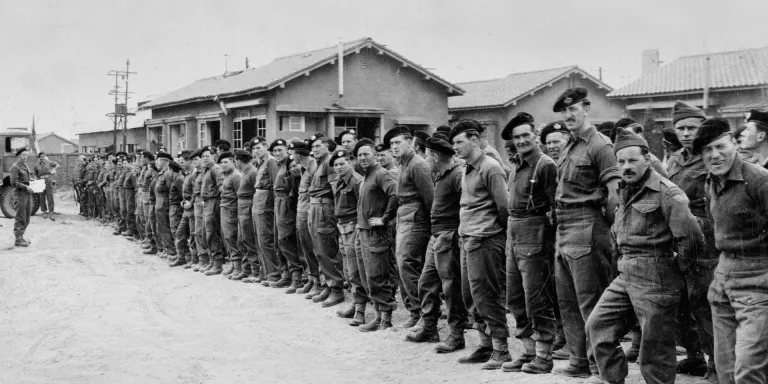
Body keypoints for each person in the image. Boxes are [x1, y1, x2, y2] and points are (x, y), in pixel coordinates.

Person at [586, 129, 705, 384]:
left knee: (656, 348)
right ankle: (612, 379)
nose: (626, 167)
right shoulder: (625, 189)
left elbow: (692, 238)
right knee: (598, 326)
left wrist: (673, 271)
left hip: (657, 275)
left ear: (647, 159)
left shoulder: (667, 192)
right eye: (621, 161)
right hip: (626, 272)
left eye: (632, 160)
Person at [550, 88, 621, 381]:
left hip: (588, 226)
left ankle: (601, 369)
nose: (568, 116)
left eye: (574, 110)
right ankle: (579, 360)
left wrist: (606, 230)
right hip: (564, 229)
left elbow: (615, 195)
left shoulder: (600, 145)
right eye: (564, 112)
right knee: (567, 301)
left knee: (592, 303)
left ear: (586, 108)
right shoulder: (570, 146)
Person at [694, 117, 768, 384]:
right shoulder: (711, 182)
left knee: (749, 371)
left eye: (721, 146)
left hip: (758, 285)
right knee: (725, 370)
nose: (715, 155)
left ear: (734, 143)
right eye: (707, 151)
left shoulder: (758, 180)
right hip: (724, 282)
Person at [498, 113, 558, 374]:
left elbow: (555, 206)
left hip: (535, 232)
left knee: (537, 296)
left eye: (526, 135)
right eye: (517, 137)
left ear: (535, 136)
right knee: (514, 296)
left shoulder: (545, 165)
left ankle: (544, 356)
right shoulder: (516, 165)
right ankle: (528, 351)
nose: (522, 140)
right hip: (514, 231)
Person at [449, 121, 510, 370]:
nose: (455, 148)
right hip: (468, 239)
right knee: (470, 295)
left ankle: (501, 349)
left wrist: (498, 238)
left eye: (459, 142)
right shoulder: (467, 168)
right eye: (453, 144)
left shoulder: (491, 168)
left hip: (486, 240)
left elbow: (504, 207)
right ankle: (485, 345)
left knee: (487, 295)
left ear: (474, 140)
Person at [666, 101, 718, 380]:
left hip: (706, 236)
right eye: (681, 128)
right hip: (677, 236)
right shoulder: (674, 160)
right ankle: (694, 355)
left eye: (692, 128)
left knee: (704, 301)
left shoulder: (711, 157)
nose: (686, 133)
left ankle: (715, 362)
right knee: (681, 301)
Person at [405, 134, 469, 353]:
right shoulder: (440, 174)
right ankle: (429, 327)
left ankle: (456, 334)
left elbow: (468, 205)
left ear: (434, 155)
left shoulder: (458, 174)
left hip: (449, 238)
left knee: (451, 287)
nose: (425, 159)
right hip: (437, 238)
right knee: (426, 282)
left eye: (427, 155)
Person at [385, 125, 434, 328]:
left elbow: (430, 198)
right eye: (391, 144)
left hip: (416, 220)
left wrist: (433, 227)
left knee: (407, 264)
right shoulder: (404, 164)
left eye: (398, 142)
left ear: (410, 142)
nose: (394, 147)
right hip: (404, 217)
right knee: (404, 264)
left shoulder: (417, 165)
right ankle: (415, 312)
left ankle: (421, 313)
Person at [355, 140, 398, 331]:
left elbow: (395, 194)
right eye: (359, 155)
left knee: (378, 275)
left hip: (377, 234)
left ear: (375, 155)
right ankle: (379, 316)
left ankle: (386, 319)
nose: (362, 158)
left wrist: (385, 218)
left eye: (366, 154)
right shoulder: (367, 176)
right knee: (369, 276)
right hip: (364, 231)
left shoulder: (381, 174)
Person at [306, 133, 345, 307]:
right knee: (318, 249)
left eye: (318, 146)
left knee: (327, 250)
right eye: (313, 147)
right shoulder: (318, 164)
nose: (314, 150)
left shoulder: (330, 164)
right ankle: (327, 285)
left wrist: (336, 214)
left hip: (324, 209)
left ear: (328, 147)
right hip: (315, 207)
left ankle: (337, 289)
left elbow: (336, 191)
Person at [330, 149, 365, 317]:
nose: (338, 167)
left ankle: (359, 309)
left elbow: (362, 207)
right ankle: (356, 303)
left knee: (354, 270)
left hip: (353, 228)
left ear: (350, 162)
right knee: (347, 269)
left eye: (342, 163)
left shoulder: (356, 181)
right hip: (342, 227)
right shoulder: (340, 181)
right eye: (336, 165)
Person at [290, 139, 320, 294]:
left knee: (313, 248)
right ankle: (311, 278)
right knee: (305, 248)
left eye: (292, 153)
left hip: (309, 212)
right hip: (301, 211)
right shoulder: (305, 168)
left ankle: (319, 282)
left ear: (299, 154)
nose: (291, 157)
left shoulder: (314, 167)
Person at [249, 137, 281, 285]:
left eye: (258, 148)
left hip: (266, 204)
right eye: (254, 149)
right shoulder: (260, 163)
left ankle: (274, 273)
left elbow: (275, 185)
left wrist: (274, 208)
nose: (256, 151)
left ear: (266, 147)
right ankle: (265, 272)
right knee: (258, 239)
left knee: (265, 239)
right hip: (258, 201)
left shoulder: (271, 162)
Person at [271, 138, 301, 289]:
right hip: (278, 203)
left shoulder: (290, 164)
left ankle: (296, 276)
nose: (277, 153)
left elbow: (296, 186)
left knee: (286, 239)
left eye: (280, 150)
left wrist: (290, 204)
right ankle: (286, 274)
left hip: (286, 204)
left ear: (287, 150)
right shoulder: (279, 165)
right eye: (275, 151)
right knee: (278, 240)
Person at [231, 148, 259, 281]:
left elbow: (256, 192)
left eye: (235, 160)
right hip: (242, 207)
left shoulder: (252, 172)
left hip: (248, 207)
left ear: (238, 160)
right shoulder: (246, 172)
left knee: (248, 239)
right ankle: (246, 269)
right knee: (241, 239)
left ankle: (255, 271)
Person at [200, 146, 225, 275]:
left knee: (212, 233)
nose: (204, 158)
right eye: (203, 156)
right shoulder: (206, 170)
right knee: (205, 234)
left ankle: (217, 263)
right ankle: (212, 260)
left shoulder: (217, 170)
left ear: (214, 156)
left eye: (207, 156)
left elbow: (221, 186)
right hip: (206, 203)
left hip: (214, 201)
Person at [218, 151, 243, 278]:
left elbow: (240, 196)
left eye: (226, 162)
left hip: (232, 210)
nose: (223, 165)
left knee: (231, 237)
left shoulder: (236, 176)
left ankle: (238, 267)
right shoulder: (226, 175)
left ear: (233, 162)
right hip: (225, 208)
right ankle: (233, 264)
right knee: (226, 237)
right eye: (221, 162)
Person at [176, 151, 198, 269]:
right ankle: (183, 257)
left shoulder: (194, 175)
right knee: (180, 233)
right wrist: (183, 201)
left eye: (182, 162)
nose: (181, 164)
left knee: (194, 235)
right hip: (186, 209)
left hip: (193, 209)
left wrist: (191, 202)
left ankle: (194, 260)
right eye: (179, 162)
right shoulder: (186, 174)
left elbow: (196, 192)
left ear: (189, 161)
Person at [153, 152, 177, 259]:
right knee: (161, 228)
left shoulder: (167, 174)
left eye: (157, 161)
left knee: (165, 228)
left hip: (165, 205)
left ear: (164, 161)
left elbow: (171, 190)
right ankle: (167, 248)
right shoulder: (161, 173)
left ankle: (171, 251)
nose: (156, 163)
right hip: (159, 204)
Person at [10, 147, 34, 247]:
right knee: (20, 217)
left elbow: (27, 179)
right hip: (20, 195)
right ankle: (18, 240)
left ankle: (21, 236)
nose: (25, 157)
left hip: (27, 194)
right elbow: (13, 183)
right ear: (19, 155)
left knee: (27, 217)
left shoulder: (25, 166)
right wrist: (25, 187)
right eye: (23, 155)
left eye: (26, 155)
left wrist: (33, 182)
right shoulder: (16, 167)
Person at [167, 157, 186, 266]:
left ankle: (181, 256)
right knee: (176, 231)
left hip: (176, 208)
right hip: (174, 207)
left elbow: (182, 196)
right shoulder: (178, 178)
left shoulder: (179, 179)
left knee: (177, 232)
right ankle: (180, 254)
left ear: (170, 169)